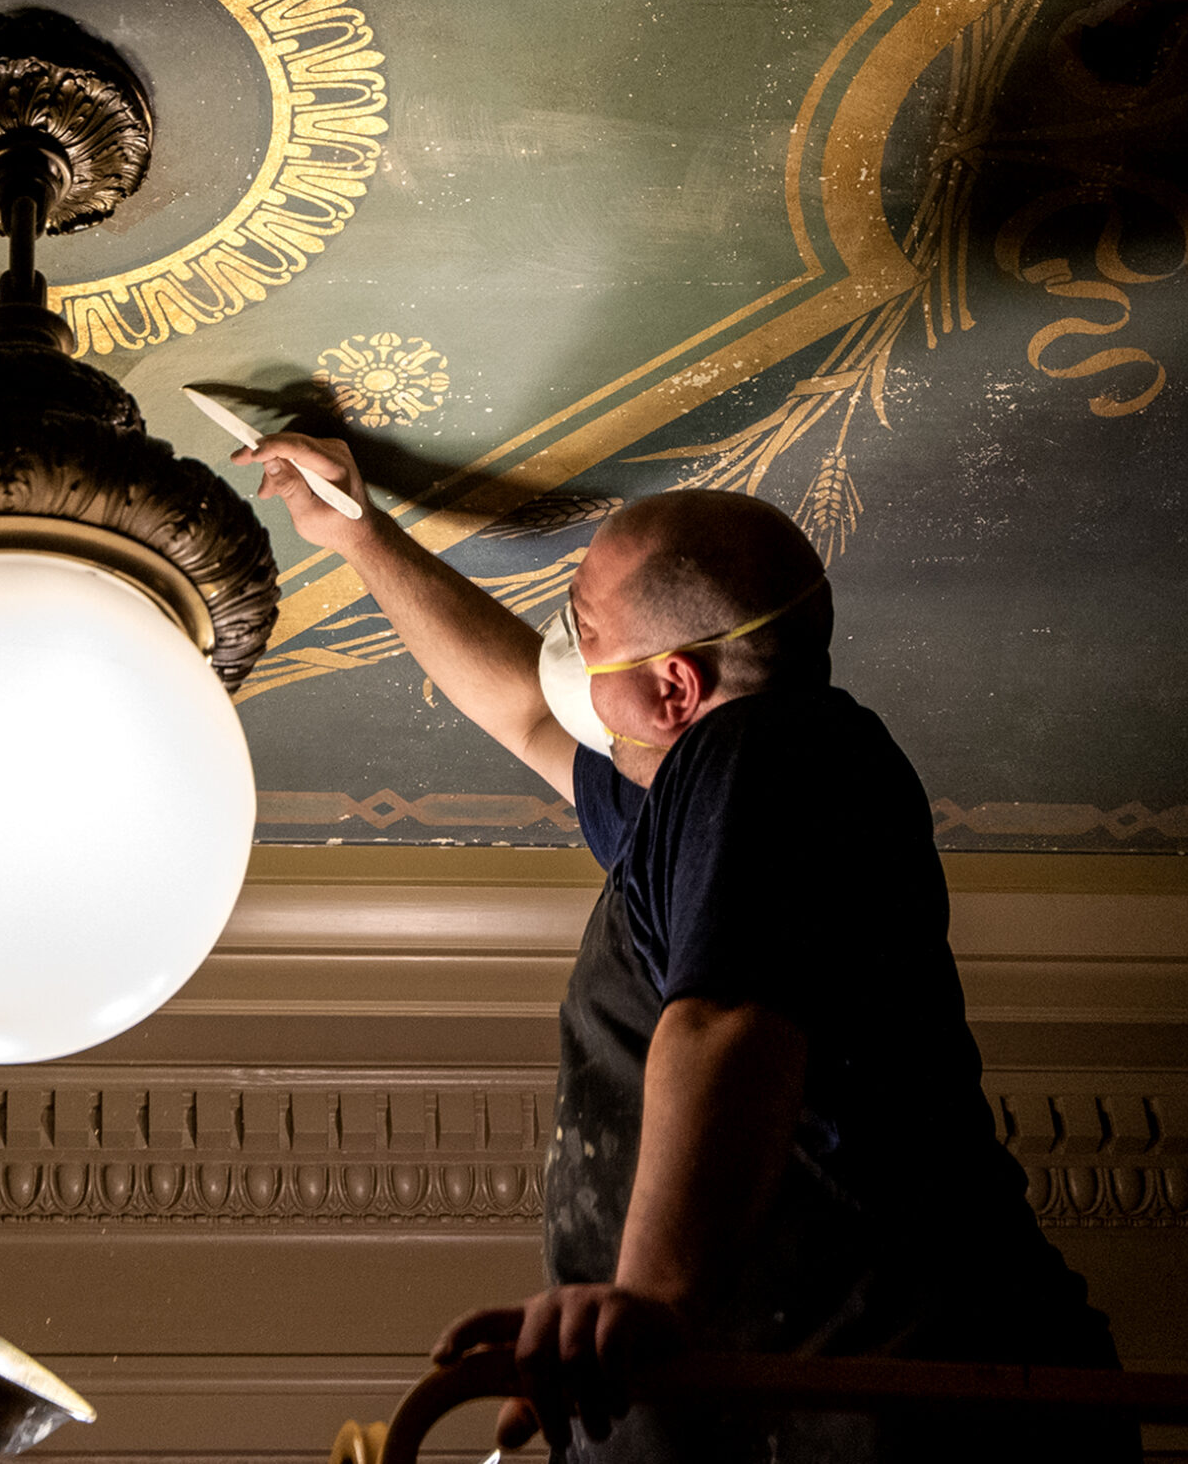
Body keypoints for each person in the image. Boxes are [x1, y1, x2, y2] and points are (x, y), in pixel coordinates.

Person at [236, 435, 1134, 1464]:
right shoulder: (707, 812)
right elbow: (528, 710)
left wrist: (651, 1299)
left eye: (579, 625)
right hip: (825, 1399)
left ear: (673, 691)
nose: (560, 648)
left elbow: (727, 1020)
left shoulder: (763, 750)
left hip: (909, 1391)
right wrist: (359, 535)